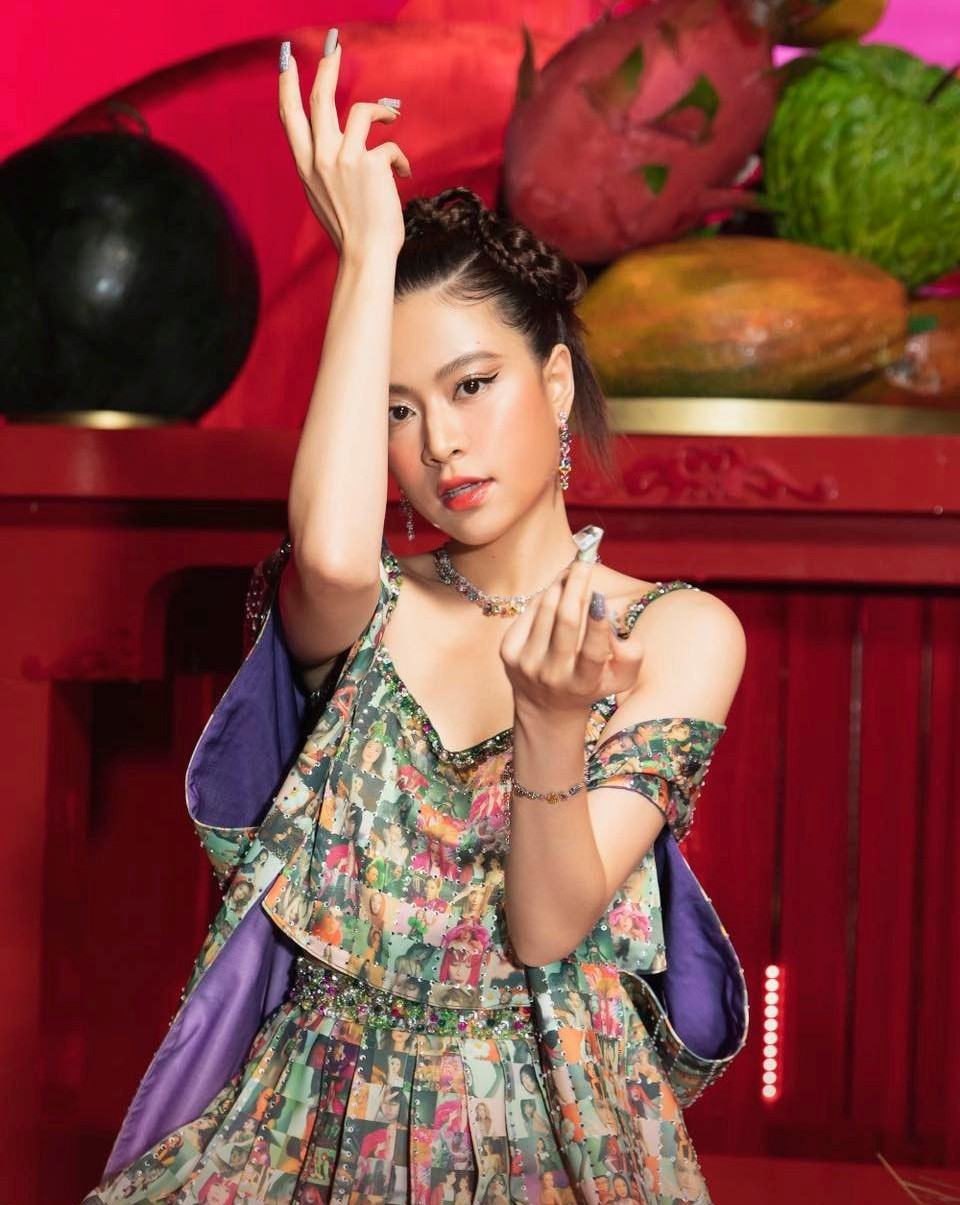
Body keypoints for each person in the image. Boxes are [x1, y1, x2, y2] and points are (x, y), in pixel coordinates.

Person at [81, 25, 749, 1205]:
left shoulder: (678, 631)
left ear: (553, 383)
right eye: (395, 409)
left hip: (555, 1131)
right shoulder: (368, 607)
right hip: (313, 1125)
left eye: (471, 385)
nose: (440, 442)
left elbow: (546, 927)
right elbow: (335, 550)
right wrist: (367, 253)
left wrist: (553, 722)